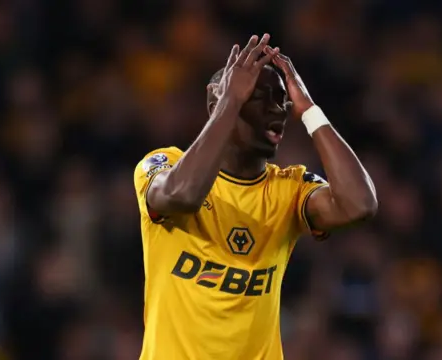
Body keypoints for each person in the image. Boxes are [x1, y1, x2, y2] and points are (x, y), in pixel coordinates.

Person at [133, 33, 377, 360]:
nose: (277, 108)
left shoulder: (289, 189)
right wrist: (230, 102)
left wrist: (309, 109)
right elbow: (183, 195)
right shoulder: (163, 164)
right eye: (258, 96)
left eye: (282, 99)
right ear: (214, 102)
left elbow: (359, 204)